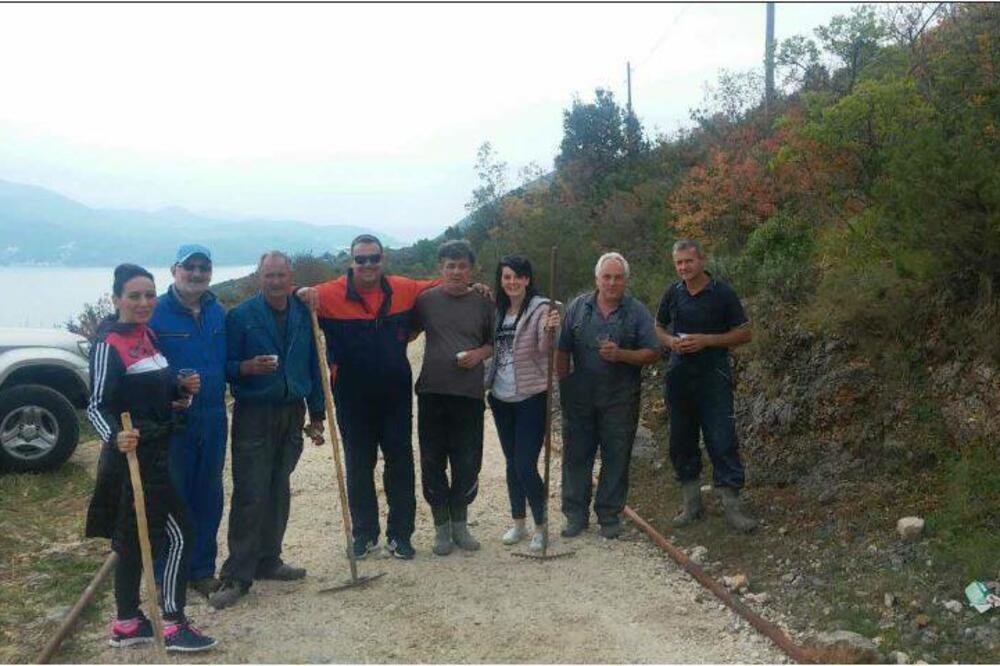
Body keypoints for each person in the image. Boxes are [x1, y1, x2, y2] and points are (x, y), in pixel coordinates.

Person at [85, 263, 216, 652]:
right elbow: (94, 406)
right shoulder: (109, 344)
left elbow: (153, 396)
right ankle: (173, 623)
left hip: (156, 453)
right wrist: (116, 436)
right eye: (134, 296)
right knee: (180, 535)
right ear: (117, 299)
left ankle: (127, 624)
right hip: (132, 461)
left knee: (130, 541)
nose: (144, 302)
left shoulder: (147, 334)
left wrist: (180, 391)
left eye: (149, 295)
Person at [295, 234, 438, 561]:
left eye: (373, 258)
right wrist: (299, 291)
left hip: (395, 393)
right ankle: (364, 534)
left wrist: (478, 289)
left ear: (382, 259)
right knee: (359, 464)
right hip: (351, 394)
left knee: (400, 462)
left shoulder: (403, 288)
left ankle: (400, 535)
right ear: (351, 262)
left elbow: (444, 283)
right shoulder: (328, 294)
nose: (368, 265)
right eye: (361, 259)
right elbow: (288, 294)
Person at [210, 252, 326, 609]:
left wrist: (318, 413)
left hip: (292, 412)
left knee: (279, 488)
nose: (275, 281)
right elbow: (225, 367)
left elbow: (314, 363)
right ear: (259, 277)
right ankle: (237, 575)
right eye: (268, 275)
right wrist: (247, 367)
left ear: (290, 276)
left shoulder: (304, 312)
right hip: (254, 413)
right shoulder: (241, 316)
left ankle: (269, 560)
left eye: (281, 275)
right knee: (250, 493)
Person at [654, 239, 757, 533]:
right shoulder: (672, 293)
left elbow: (745, 333)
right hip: (679, 376)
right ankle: (692, 505)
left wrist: (708, 340)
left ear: (702, 260)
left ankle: (732, 508)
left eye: (688, 261)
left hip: (714, 376)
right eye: (678, 263)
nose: (683, 267)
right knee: (681, 440)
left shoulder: (722, 292)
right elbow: (658, 327)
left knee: (722, 438)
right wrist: (671, 342)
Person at [556, 252, 660, 540]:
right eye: (607, 277)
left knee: (616, 458)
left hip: (620, 399)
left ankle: (609, 516)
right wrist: (563, 385)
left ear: (625, 280)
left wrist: (622, 354)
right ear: (597, 279)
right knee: (576, 457)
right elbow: (562, 349)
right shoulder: (578, 307)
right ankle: (575, 515)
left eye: (618, 277)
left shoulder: (637, 311)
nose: (612, 283)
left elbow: (653, 352)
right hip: (579, 398)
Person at [149, 243, 228, 598]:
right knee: (173, 497)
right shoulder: (155, 314)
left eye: (204, 267)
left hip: (213, 417)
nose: (197, 274)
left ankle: (202, 569)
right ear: (174, 270)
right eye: (190, 267)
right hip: (173, 422)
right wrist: (172, 386)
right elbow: (140, 369)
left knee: (208, 494)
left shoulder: (217, 311)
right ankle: (169, 572)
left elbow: (227, 362)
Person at [413, 240, 494, 556]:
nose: (456, 271)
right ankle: (441, 529)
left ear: (470, 269)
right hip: (432, 392)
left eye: (462, 265)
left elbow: (493, 343)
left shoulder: (484, 302)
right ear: (440, 268)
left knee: (467, 461)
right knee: (432, 461)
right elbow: (406, 332)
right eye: (450, 265)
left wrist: (477, 355)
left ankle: (461, 525)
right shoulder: (425, 301)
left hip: (469, 394)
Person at [484, 255, 560, 550]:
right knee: (512, 463)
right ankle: (518, 523)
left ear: (527, 279)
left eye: (517, 276)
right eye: (506, 277)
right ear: (501, 281)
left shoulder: (542, 309)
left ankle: (541, 525)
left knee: (526, 464)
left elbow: (545, 348)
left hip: (531, 396)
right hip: (501, 397)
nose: (512, 282)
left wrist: (550, 329)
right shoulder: (498, 311)